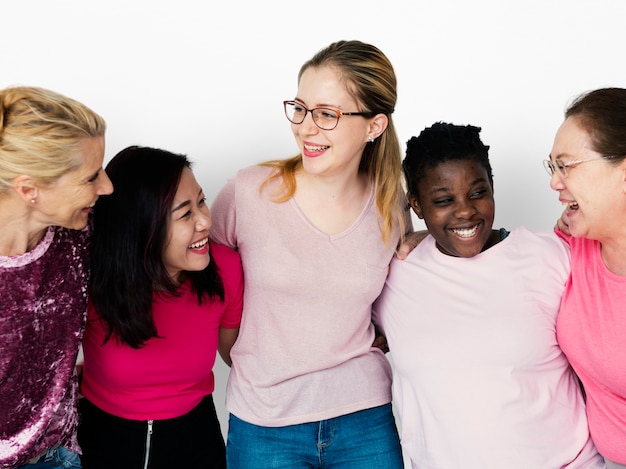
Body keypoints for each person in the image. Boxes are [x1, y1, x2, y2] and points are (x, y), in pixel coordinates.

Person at [209, 40, 410, 468]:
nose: (305, 128)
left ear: (374, 126)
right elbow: (206, 282)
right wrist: (244, 353)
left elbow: (405, 297)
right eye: (299, 109)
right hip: (264, 420)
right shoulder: (249, 192)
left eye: (327, 114)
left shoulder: (391, 206)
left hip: (365, 417)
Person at [372, 122, 603, 468]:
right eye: (443, 201)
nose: (465, 211)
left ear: (493, 187)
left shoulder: (550, 257)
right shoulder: (394, 276)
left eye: (477, 192)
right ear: (417, 206)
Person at [77, 146, 243, 469]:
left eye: (202, 202)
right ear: (142, 228)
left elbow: (237, 356)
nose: (206, 221)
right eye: (185, 214)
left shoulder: (225, 269)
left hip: (196, 439)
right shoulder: (89, 279)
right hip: (104, 440)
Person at [0, 86, 112, 469]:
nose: (107, 187)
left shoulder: (78, 231)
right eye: (91, 177)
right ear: (29, 189)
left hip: (58, 455)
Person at [545, 87, 626, 469]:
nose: (555, 183)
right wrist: (427, 237)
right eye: (552, 167)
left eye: (567, 165)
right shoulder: (573, 244)